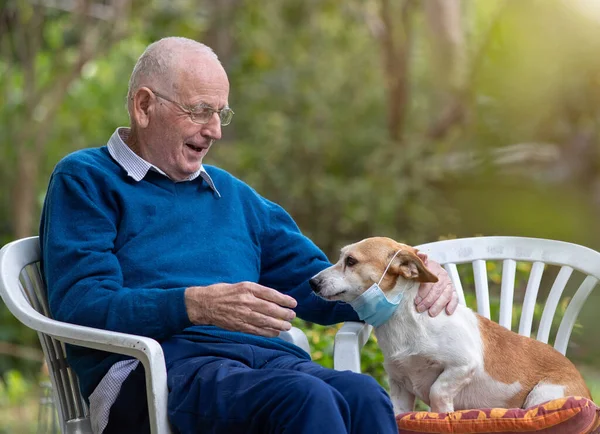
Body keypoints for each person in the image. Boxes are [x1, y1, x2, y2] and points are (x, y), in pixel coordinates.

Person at [40, 37, 458, 434]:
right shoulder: (86, 179)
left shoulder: (235, 197)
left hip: (264, 363)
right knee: (304, 399)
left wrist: (406, 279)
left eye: (220, 113)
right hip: (156, 372)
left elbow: (324, 285)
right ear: (145, 106)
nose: (215, 130)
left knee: (364, 395)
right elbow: (81, 304)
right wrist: (194, 305)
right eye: (200, 110)